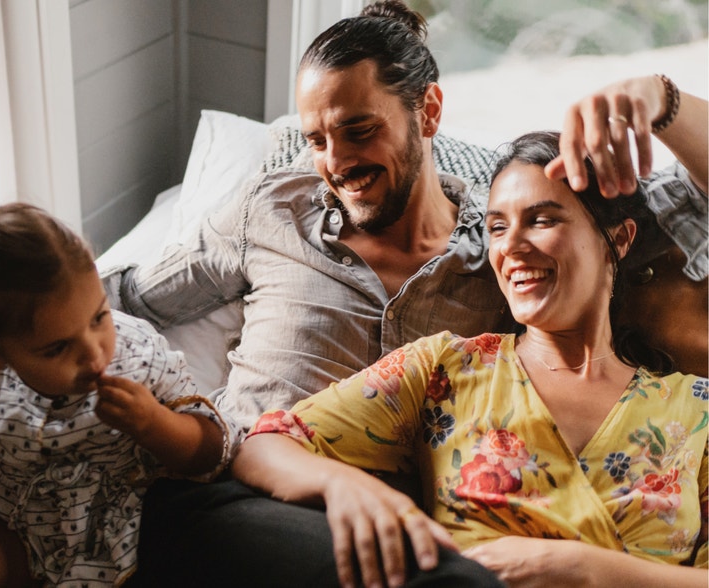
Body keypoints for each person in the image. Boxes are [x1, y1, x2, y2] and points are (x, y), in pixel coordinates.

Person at [0, 1, 707, 586]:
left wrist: (660, 97)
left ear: (429, 114)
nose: (335, 163)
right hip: (236, 494)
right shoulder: (271, 208)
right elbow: (120, 294)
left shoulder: (509, 249)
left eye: (359, 131)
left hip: (381, 547)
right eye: (318, 139)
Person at [233, 130, 708, 588]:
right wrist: (341, 486)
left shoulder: (697, 409)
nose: (512, 247)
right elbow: (266, 445)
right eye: (498, 226)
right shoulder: (445, 369)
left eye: (542, 220)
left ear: (619, 240)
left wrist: (588, 572)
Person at [0, 202, 232, 587]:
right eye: (57, 348)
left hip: (123, 523)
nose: (93, 352)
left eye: (99, 318)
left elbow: (213, 450)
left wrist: (154, 424)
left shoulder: (137, 357)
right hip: (13, 514)